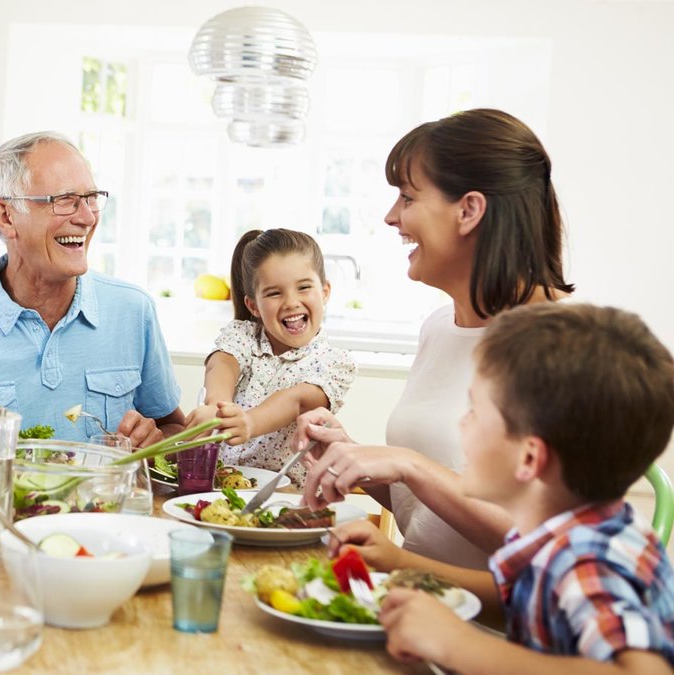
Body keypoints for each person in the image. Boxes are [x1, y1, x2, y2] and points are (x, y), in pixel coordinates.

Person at [328, 303, 674, 673]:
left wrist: (457, 644)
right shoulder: (567, 533)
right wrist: (401, 564)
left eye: (474, 411)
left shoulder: (590, 558)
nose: (461, 424)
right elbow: (519, 599)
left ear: (529, 459)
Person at [295, 109, 574, 568]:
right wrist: (354, 457)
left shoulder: (565, 346)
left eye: (406, 197)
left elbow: (549, 556)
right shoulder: (440, 326)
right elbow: (427, 514)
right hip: (415, 605)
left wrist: (409, 464)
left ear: (468, 210)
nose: (390, 217)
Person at [0, 131, 185, 456]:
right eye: (64, 200)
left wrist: (158, 442)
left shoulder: (134, 311)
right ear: (6, 216)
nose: (87, 217)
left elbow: (174, 428)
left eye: (91, 197)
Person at [184, 229, 355, 486]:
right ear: (253, 305)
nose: (291, 302)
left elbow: (297, 400)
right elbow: (222, 363)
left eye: (304, 287)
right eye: (275, 293)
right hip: (221, 490)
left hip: (286, 499)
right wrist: (218, 408)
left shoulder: (334, 362)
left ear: (325, 291)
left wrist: (248, 423)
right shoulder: (244, 335)